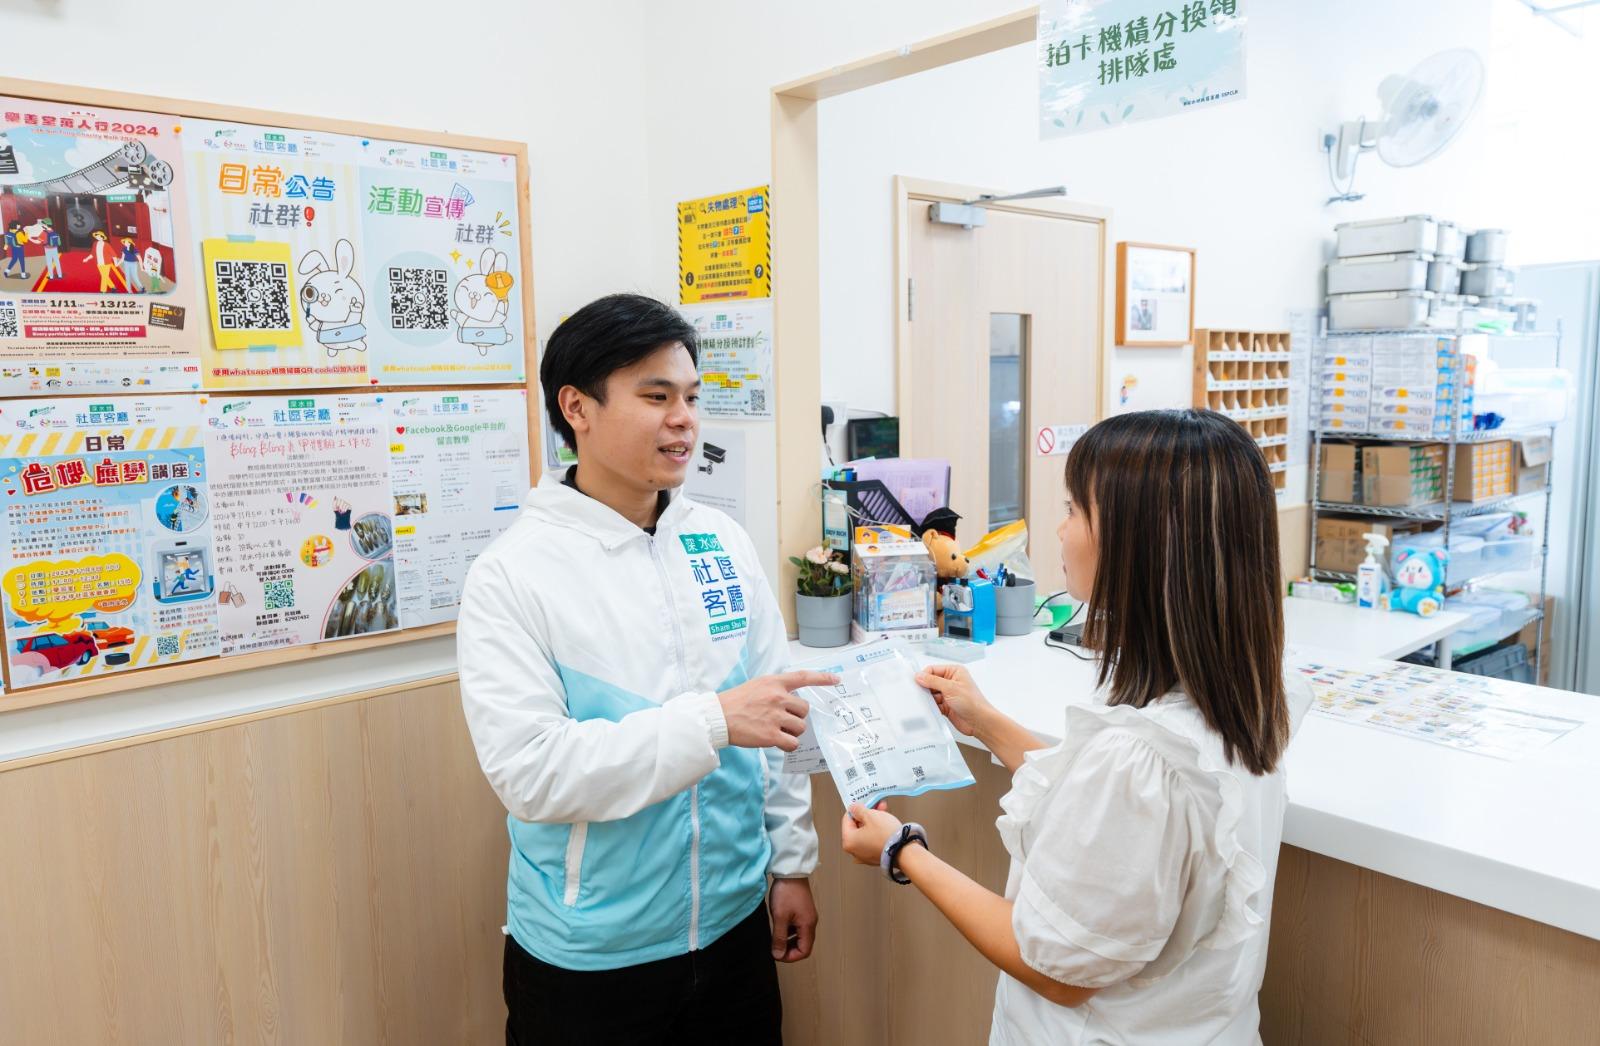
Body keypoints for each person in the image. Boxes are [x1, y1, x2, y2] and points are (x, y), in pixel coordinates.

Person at [841, 409, 1314, 1045]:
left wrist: (903, 850)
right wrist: (989, 724)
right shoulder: (1251, 696)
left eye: (1072, 510)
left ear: (1137, 545)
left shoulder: (1139, 763)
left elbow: (1055, 969)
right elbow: (1110, 812)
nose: (1060, 530)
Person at [458, 293, 835, 1045]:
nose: (684, 420)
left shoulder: (720, 541)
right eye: (656, 397)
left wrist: (791, 864)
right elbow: (533, 774)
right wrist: (713, 722)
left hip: (733, 927)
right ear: (577, 408)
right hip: (592, 955)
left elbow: (780, 713)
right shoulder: (513, 574)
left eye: (691, 397)